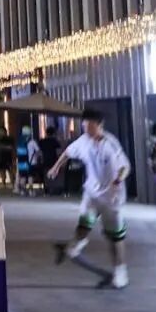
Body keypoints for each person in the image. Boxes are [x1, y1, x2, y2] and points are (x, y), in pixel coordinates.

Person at [48, 105, 131, 289]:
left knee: (115, 237)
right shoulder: (83, 141)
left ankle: (120, 272)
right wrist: (56, 167)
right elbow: (68, 152)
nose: (86, 129)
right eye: (84, 125)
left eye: (90, 125)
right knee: (84, 223)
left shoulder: (110, 144)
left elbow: (125, 166)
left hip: (112, 198)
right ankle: (74, 245)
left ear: (100, 125)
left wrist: (118, 180)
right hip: (92, 193)